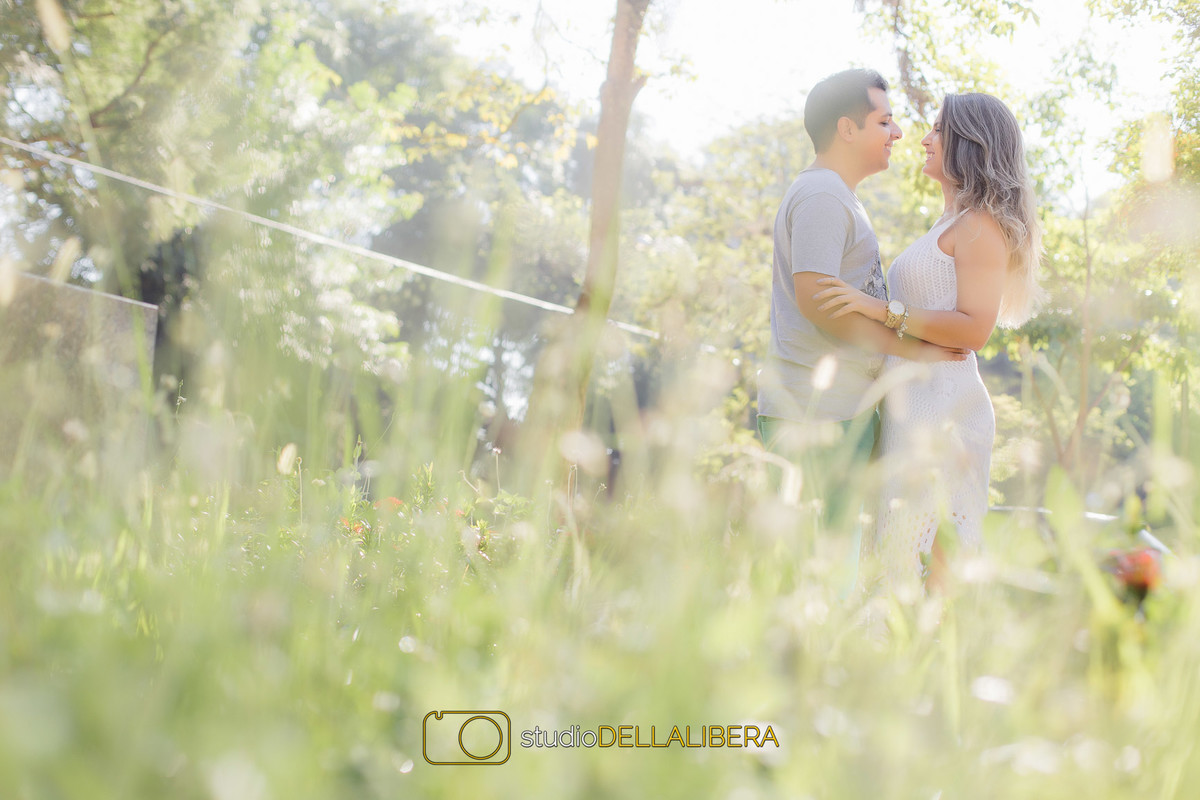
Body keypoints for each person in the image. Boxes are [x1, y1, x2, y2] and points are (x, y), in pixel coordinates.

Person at [812, 92, 1042, 586]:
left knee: (932, 561)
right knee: (899, 561)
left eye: (938, 129)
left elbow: (974, 329)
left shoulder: (979, 225)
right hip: (913, 406)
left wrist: (875, 308)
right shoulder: (951, 223)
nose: (924, 139)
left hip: (944, 410)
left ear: (970, 143)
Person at [755, 69, 967, 589]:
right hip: (815, 416)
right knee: (814, 578)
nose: (898, 132)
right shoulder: (824, 195)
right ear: (847, 129)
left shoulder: (838, 195)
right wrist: (911, 350)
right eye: (885, 121)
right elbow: (818, 301)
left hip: (838, 415)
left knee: (834, 574)